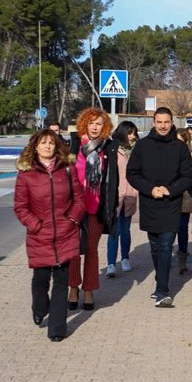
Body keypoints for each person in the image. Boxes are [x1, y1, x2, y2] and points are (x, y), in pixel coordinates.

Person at [14, 129, 85, 342]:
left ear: (56, 146)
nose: (47, 146)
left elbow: (79, 200)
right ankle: (39, 307)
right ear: (35, 146)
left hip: (66, 233)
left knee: (62, 281)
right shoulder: (26, 173)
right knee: (41, 279)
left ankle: (57, 328)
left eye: (51, 143)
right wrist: (35, 225)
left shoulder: (68, 169)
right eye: (43, 143)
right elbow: (20, 207)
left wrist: (72, 219)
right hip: (39, 235)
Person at [127, 108, 192, 307]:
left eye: (167, 122)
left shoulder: (180, 147)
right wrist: (150, 189)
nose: (163, 126)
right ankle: (160, 281)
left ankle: (163, 291)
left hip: (171, 204)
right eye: (159, 122)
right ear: (153, 123)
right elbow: (132, 173)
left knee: (166, 246)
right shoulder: (142, 146)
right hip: (149, 204)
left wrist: (170, 189)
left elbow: (188, 176)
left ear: (172, 122)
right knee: (155, 248)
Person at [67, 108, 114, 311]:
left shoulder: (108, 148)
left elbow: (113, 180)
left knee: (91, 250)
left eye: (99, 124)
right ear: (85, 124)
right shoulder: (74, 144)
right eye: (91, 123)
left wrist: (112, 206)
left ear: (104, 127)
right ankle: (73, 288)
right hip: (73, 207)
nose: (94, 127)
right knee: (74, 251)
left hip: (96, 207)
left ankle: (88, 290)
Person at [106, 121, 139, 276]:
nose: (133, 136)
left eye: (134, 133)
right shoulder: (112, 148)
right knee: (114, 230)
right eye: (130, 133)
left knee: (125, 230)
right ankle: (111, 264)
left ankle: (125, 258)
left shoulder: (137, 150)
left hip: (131, 194)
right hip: (115, 195)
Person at [176, 128, 192, 274]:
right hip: (170, 197)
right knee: (169, 229)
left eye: (181, 141)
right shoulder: (168, 154)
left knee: (182, 228)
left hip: (185, 196)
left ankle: (182, 257)